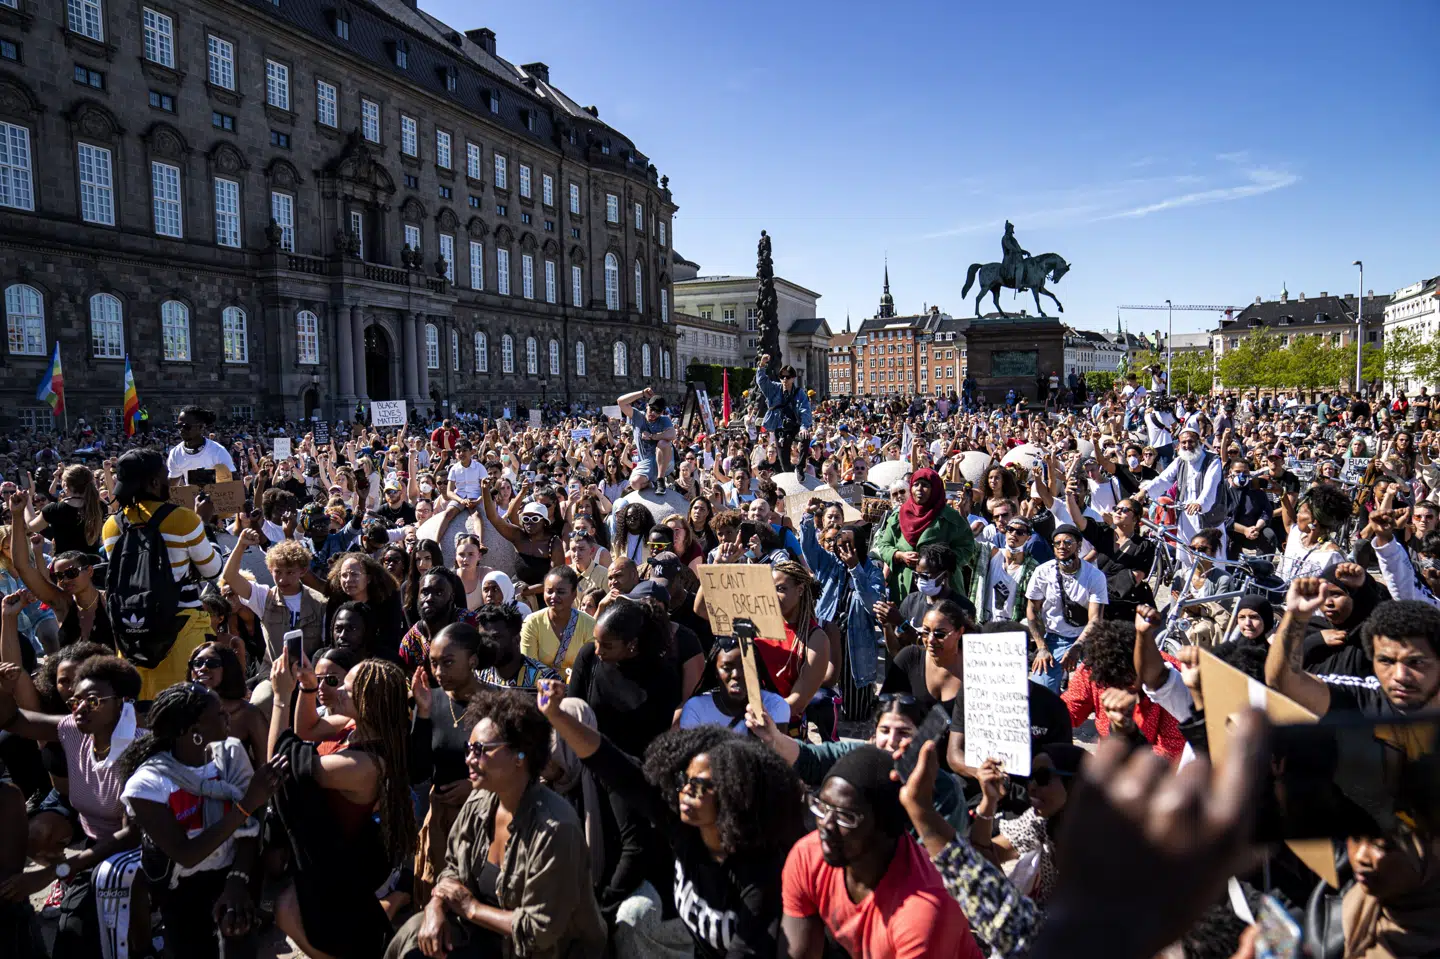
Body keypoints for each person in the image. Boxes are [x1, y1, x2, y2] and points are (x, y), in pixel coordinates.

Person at [538, 679, 807, 959]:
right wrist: (556, 715)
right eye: (684, 780)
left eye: (701, 786)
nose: (686, 791)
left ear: (733, 797)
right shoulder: (685, 824)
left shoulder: (760, 874)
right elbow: (617, 767)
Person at [385, 689, 608, 959]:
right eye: (469, 748)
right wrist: (435, 905)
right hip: (479, 937)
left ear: (520, 756)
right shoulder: (480, 801)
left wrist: (471, 908)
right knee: (414, 935)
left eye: (481, 750)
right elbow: (453, 868)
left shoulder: (554, 828)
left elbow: (538, 931)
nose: (469, 759)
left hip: (540, 952)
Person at [116, 682, 286, 959]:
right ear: (195, 732)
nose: (228, 717)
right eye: (219, 713)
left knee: (239, 943)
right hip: (182, 892)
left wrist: (237, 881)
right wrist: (246, 804)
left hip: (232, 874)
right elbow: (187, 854)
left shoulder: (230, 753)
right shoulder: (147, 784)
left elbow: (249, 831)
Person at [267, 656, 415, 959]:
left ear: (369, 702)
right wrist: (307, 691)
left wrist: (282, 698)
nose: (338, 693)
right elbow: (308, 729)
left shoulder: (363, 765)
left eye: (347, 689)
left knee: (293, 914)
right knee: (287, 909)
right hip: (335, 853)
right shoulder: (355, 724)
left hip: (338, 864)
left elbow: (279, 766)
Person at [0, 655, 144, 959]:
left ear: (122, 702)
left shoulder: (140, 750)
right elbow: (13, 720)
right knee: (71, 939)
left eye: (91, 701)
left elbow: (131, 836)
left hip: (143, 853)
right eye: (75, 700)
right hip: (96, 851)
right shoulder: (74, 731)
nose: (79, 708)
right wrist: (2, 690)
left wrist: (53, 872)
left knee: (105, 936)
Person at [780, 744, 979, 959]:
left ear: (884, 828)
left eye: (846, 816)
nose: (826, 825)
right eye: (822, 807)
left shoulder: (922, 912)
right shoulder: (808, 855)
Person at [101, 450, 223, 701]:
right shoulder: (183, 519)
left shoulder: (111, 525)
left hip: (131, 632)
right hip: (180, 628)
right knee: (181, 708)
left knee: (138, 710)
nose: (171, 481)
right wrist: (206, 525)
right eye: (166, 475)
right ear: (155, 482)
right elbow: (212, 569)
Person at [409, 623, 495, 904]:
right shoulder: (429, 700)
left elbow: (522, 764)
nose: (439, 672)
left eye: (448, 663)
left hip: (487, 823)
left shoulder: (499, 704)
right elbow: (418, 772)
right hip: (442, 825)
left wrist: (476, 787)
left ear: (472, 660)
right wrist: (422, 714)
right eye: (433, 664)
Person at [1266, 584, 1440, 717]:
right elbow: (1284, 680)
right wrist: (1296, 616)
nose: (1400, 676)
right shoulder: (1364, 698)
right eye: (1386, 661)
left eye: (1416, 662)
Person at [566, 597, 680, 760]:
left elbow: (661, 736)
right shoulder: (588, 657)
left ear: (631, 644)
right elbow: (573, 711)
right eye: (596, 642)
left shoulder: (663, 675)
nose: (598, 650)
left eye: (607, 645)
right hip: (591, 763)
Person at [871, 468, 977, 602]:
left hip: (942, 586)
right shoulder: (899, 515)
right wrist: (898, 555)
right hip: (905, 586)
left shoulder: (951, 517)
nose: (919, 489)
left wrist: (939, 563)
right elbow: (884, 544)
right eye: (916, 485)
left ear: (936, 489)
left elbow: (967, 548)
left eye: (925, 485)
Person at [1024, 524, 1108, 694]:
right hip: (1054, 639)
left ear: (1078, 545)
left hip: (1086, 639)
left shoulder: (1095, 576)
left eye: (1068, 542)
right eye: (1057, 543)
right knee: (1041, 693)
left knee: (1096, 691)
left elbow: (1095, 619)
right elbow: (1032, 611)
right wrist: (1041, 647)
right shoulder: (1042, 572)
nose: (1062, 546)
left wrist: (1077, 647)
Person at [397, 567, 478, 671]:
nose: (429, 598)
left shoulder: (472, 623)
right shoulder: (410, 643)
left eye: (439, 593)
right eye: (425, 592)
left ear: (451, 597)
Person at [474, 603, 558, 692]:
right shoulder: (480, 674)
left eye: (495, 638)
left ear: (517, 639)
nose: (487, 644)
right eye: (483, 637)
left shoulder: (545, 682)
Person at [755, 356, 814, 475]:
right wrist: (761, 365)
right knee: (785, 464)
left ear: (793, 378)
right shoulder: (774, 388)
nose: (785, 379)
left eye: (788, 377)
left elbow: (805, 410)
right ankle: (791, 473)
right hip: (780, 428)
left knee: (805, 437)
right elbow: (762, 381)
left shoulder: (799, 393)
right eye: (782, 377)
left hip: (795, 426)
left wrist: (804, 427)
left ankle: (800, 468)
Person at [618, 389, 677, 492]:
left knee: (663, 443)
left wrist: (653, 436)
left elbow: (672, 434)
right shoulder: (637, 416)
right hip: (646, 463)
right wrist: (642, 393)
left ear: (661, 412)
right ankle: (651, 483)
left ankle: (661, 479)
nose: (653, 413)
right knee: (635, 483)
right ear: (646, 406)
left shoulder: (664, 420)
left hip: (664, 460)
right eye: (652, 409)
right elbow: (621, 402)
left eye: (657, 411)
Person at [164, 407, 237, 481]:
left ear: (201, 427)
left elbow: (234, 483)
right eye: (179, 426)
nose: (182, 430)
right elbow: (172, 488)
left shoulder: (218, 451)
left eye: (186, 426)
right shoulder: (175, 453)